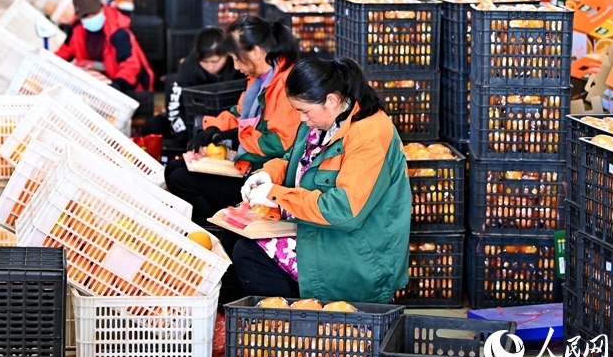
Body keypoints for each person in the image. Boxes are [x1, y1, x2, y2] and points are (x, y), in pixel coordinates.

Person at [234, 57, 411, 303]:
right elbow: (295, 160)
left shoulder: (369, 137)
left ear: (331, 100)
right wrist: (268, 174)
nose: (302, 119)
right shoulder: (324, 121)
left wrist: (278, 195)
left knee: (248, 255)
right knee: (237, 243)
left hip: (356, 254)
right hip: (326, 235)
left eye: (304, 111)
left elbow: (345, 210)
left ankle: (294, 321)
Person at [165, 15, 301, 224]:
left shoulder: (285, 86)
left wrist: (237, 138)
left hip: (263, 176)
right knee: (174, 168)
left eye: (237, 59)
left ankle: (211, 229)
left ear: (255, 52)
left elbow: (280, 144)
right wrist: (212, 128)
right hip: (248, 163)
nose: (236, 66)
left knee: (181, 179)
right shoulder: (259, 79)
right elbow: (239, 114)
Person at [142, 27, 242, 147]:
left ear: (226, 55)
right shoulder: (188, 67)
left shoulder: (238, 67)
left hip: (228, 123)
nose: (210, 67)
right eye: (205, 62)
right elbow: (174, 107)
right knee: (153, 126)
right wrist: (183, 137)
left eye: (215, 61)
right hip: (192, 123)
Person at [56, 0, 154, 92]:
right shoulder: (76, 30)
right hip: (96, 85)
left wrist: (116, 86)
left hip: (126, 88)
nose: (91, 17)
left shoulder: (118, 32)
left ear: (102, 7)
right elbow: (63, 53)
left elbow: (131, 66)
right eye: (85, 16)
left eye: (94, 12)